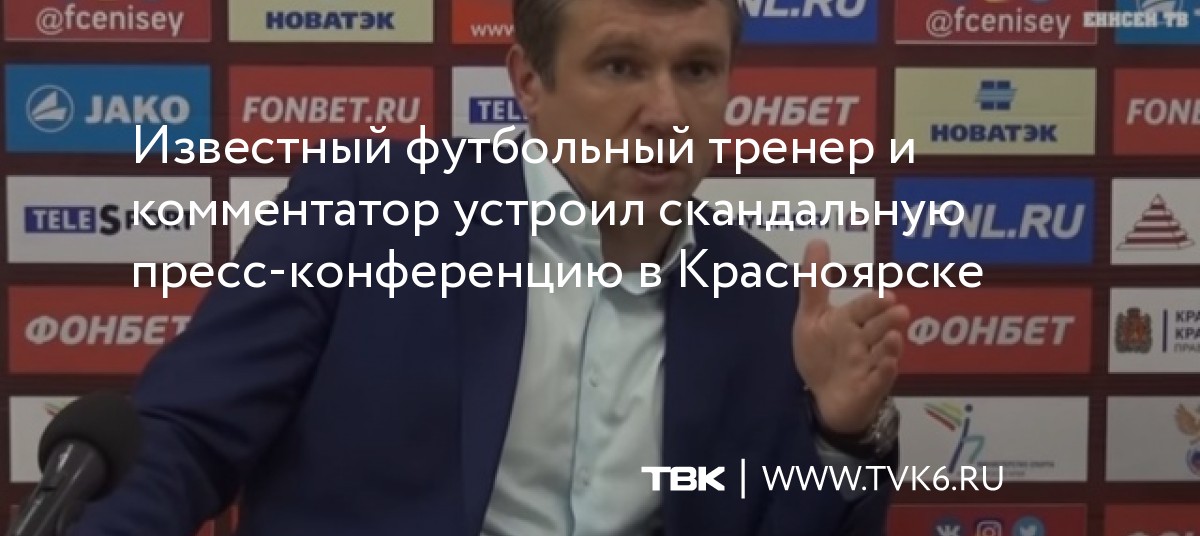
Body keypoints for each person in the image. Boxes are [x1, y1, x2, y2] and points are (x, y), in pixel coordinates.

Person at [70, 0, 910, 534]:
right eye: (620, 66)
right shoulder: (362, 214)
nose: (666, 112)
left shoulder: (766, 303)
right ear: (528, 80)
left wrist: (841, 432)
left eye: (696, 70)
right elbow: (185, 437)